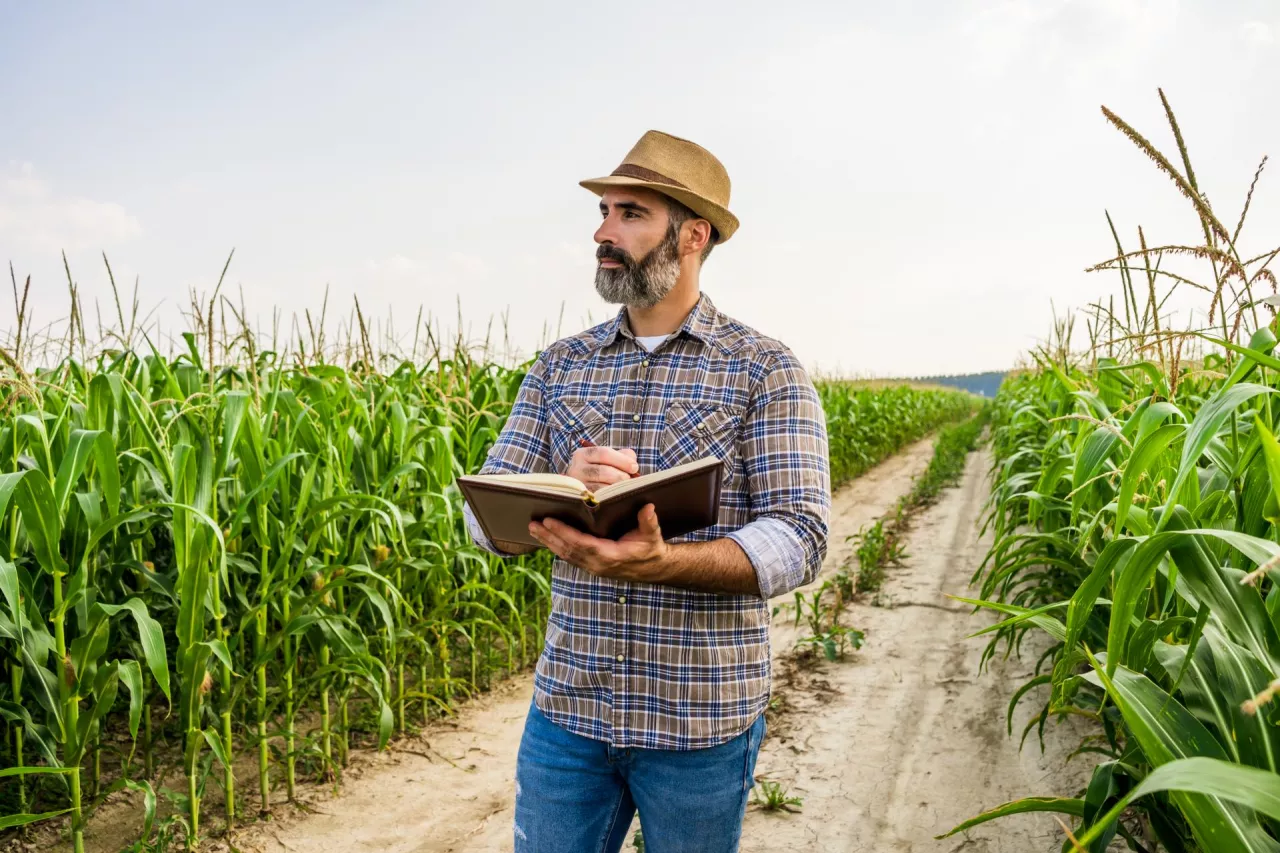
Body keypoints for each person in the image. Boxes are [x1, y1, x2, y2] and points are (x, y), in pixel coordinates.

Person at [462, 129, 831, 853]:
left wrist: (666, 563)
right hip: (569, 712)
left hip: (699, 722)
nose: (603, 233)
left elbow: (800, 534)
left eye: (630, 214)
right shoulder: (558, 368)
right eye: (602, 213)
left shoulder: (765, 369)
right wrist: (559, 490)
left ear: (693, 235)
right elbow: (484, 522)